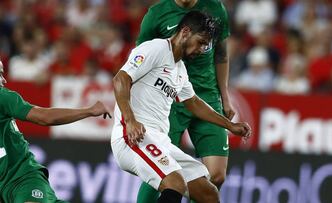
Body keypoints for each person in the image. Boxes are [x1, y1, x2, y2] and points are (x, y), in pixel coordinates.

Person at [111, 11, 251, 203]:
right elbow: (121, 79)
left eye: (206, 45)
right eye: (201, 42)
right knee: (175, 183)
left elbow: (193, 103)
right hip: (134, 136)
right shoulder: (156, 49)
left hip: (160, 140)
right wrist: (130, 120)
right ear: (185, 32)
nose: (202, 49)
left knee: (208, 194)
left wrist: (230, 125)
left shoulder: (180, 70)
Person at [135, 0, 235, 202]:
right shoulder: (157, 14)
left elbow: (221, 54)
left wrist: (224, 96)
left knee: (216, 175)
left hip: (206, 95)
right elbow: (142, 58)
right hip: (169, 98)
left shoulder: (215, 9)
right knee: (159, 168)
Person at [0, 60, 111, 203]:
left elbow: (44, 117)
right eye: (0, 74)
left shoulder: (3, 97)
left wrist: (89, 111)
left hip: (23, 178)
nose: (4, 80)